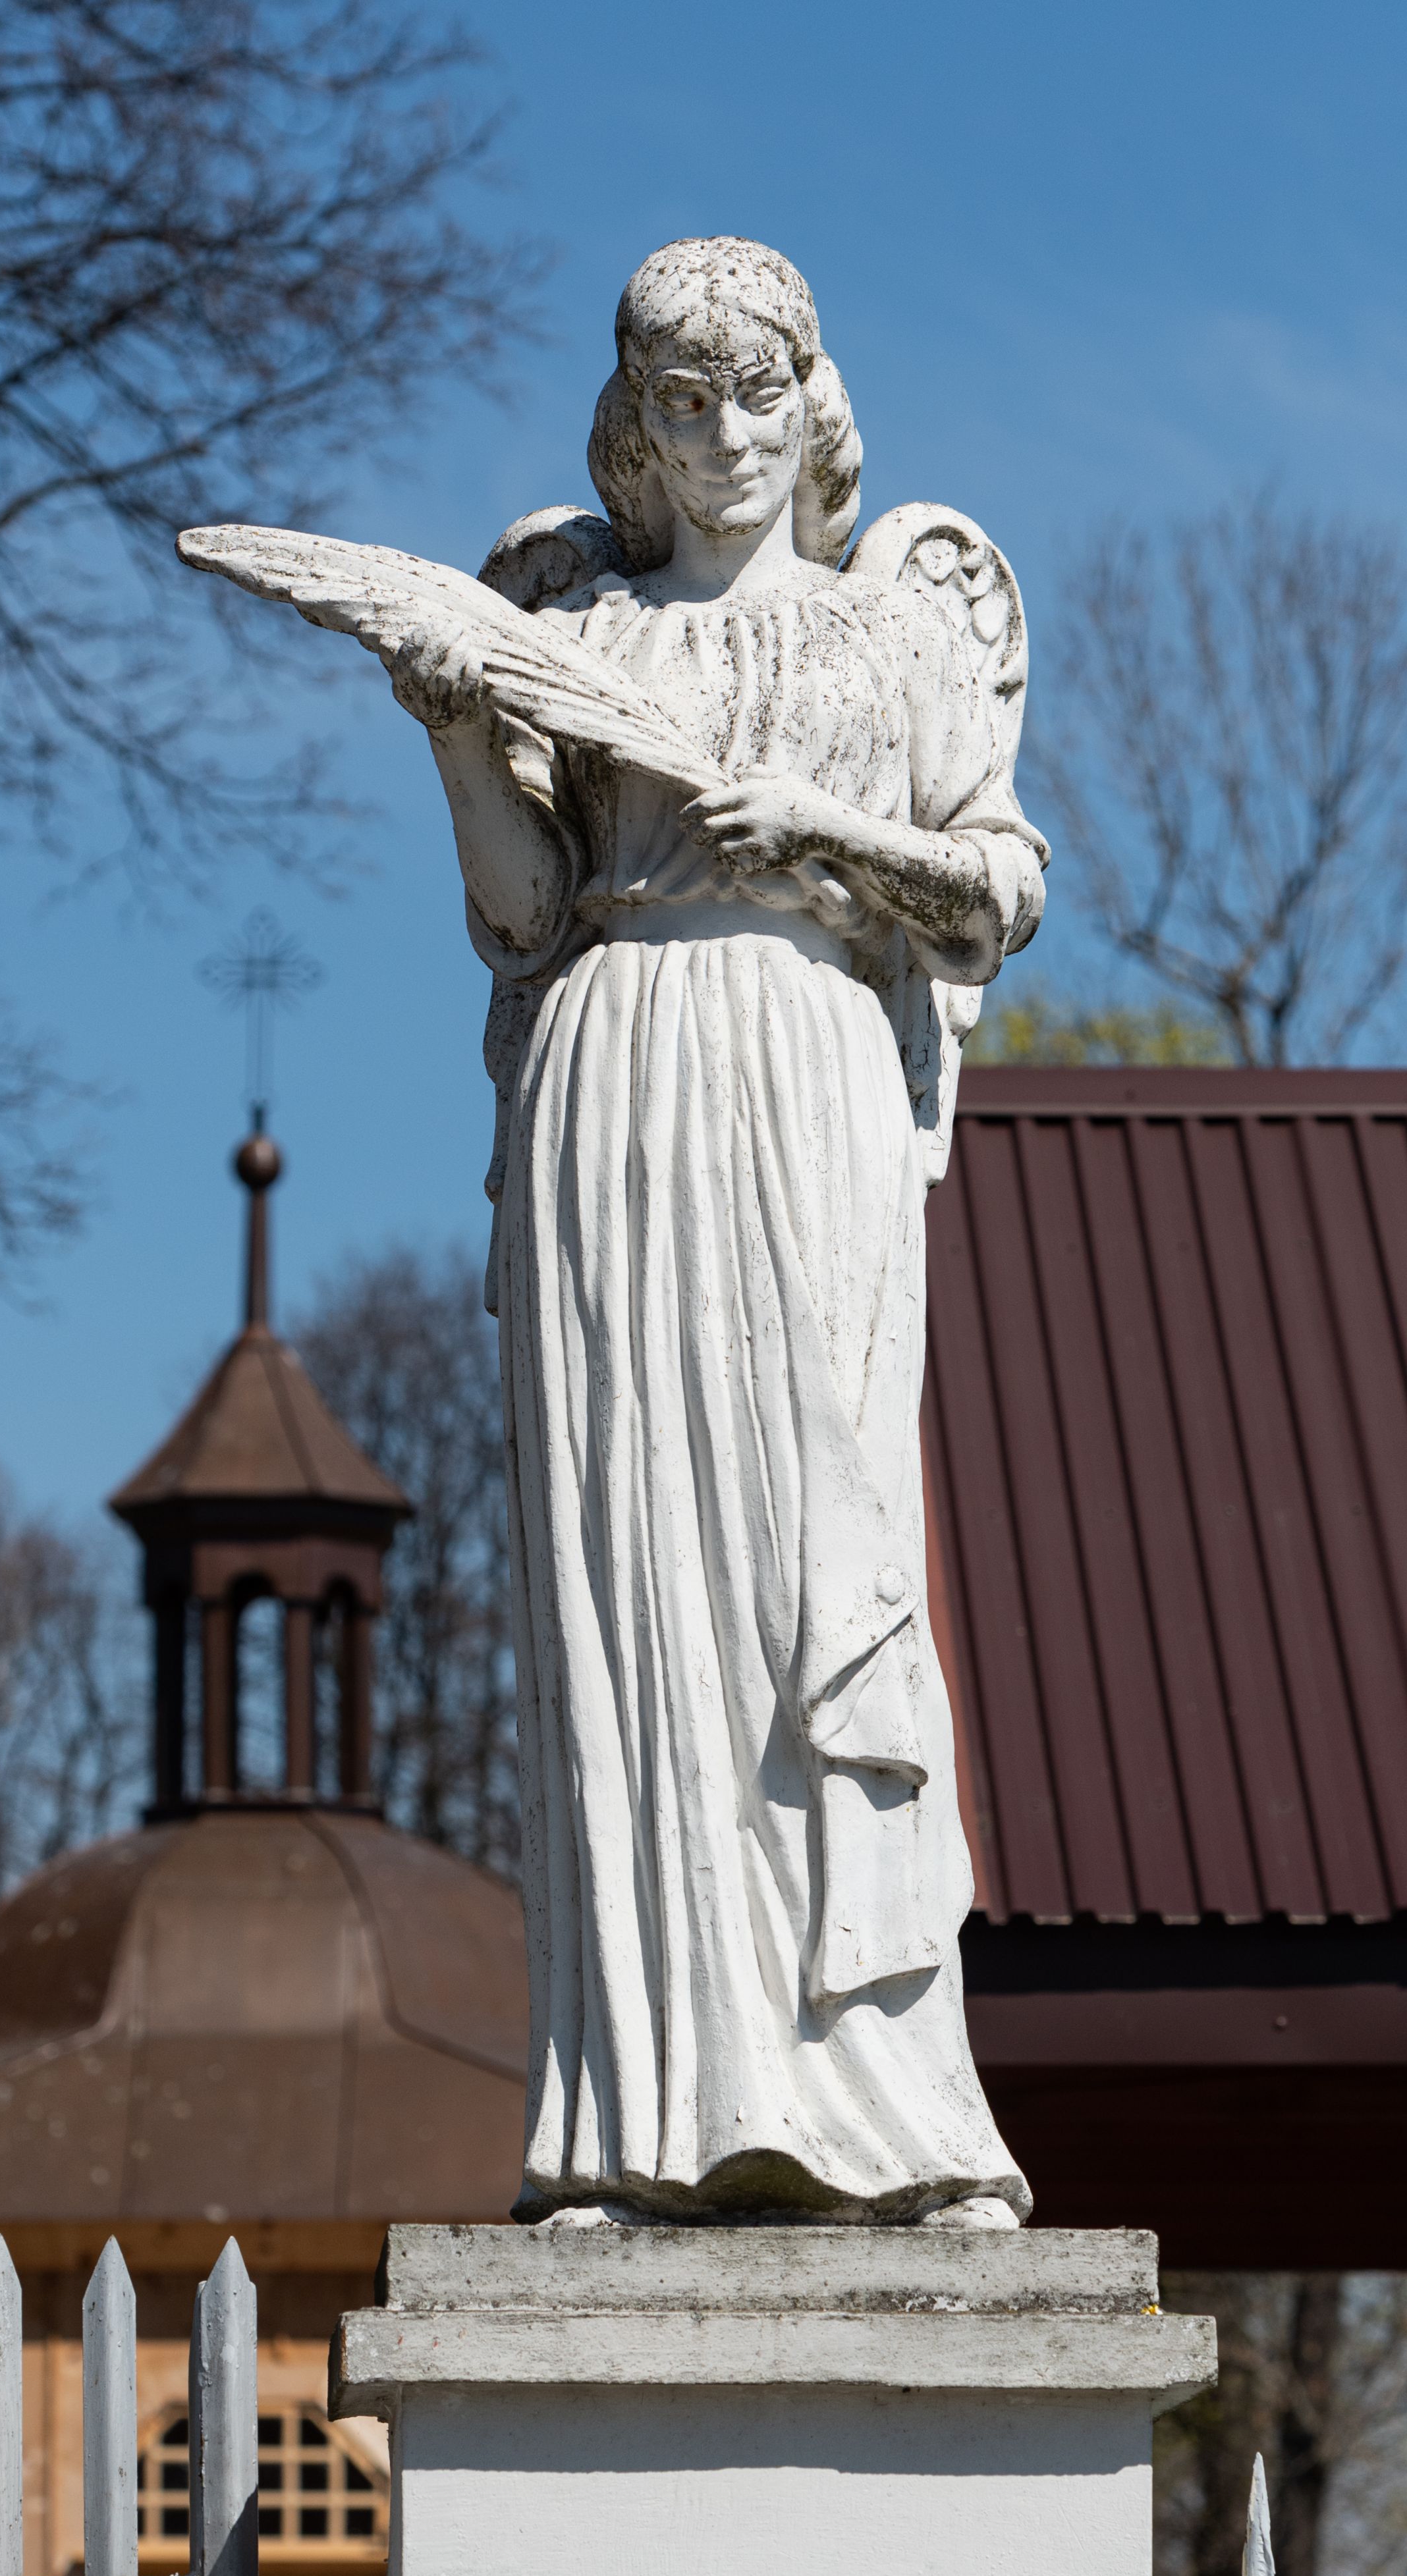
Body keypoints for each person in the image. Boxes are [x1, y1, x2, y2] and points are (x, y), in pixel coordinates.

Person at [400, 239, 1049, 2226]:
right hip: (619, 1080)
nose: (728, 436)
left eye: (759, 392)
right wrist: (457, 734)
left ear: (811, 396)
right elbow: (524, 916)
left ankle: (887, 2103)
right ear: (639, 427)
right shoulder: (582, 633)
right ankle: (636, 2117)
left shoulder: (889, 633)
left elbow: (1003, 890)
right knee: (635, 1580)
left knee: (816, 1558)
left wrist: (829, 839)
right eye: (684, 404)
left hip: (811, 1064)